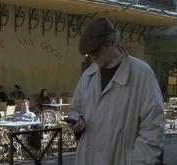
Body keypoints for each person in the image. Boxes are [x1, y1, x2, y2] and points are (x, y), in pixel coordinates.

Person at [68, 17, 165, 164]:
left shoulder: (141, 74)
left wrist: (138, 162)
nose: (92, 56)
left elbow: (153, 128)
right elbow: (76, 108)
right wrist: (76, 120)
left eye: (96, 50)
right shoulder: (88, 75)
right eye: (89, 53)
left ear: (112, 42)